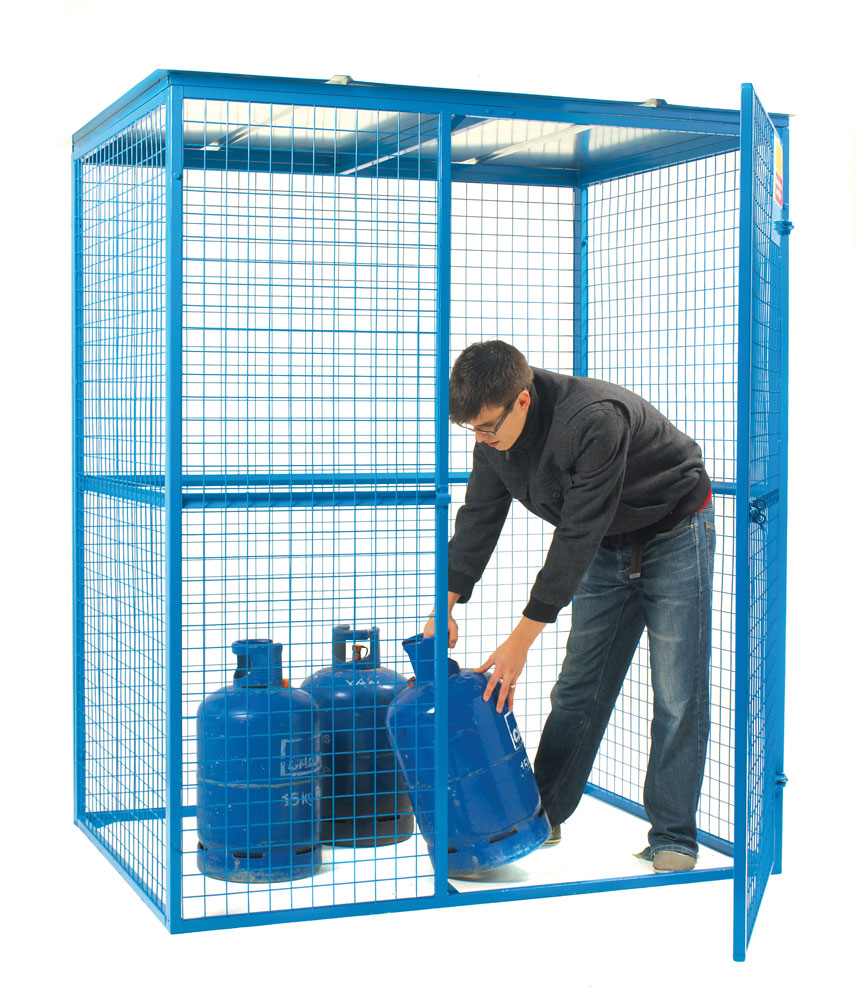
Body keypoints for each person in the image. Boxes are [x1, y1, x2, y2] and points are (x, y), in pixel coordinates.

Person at [423, 340, 715, 872]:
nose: (482, 439)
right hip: (606, 544)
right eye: (472, 431)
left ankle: (674, 834)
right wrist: (446, 600)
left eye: (488, 426)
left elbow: (577, 533)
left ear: (523, 400)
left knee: (677, 691)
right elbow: (479, 518)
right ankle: (544, 814)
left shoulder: (592, 420)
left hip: (674, 530)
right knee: (580, 686)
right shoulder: (491, 440)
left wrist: (519, 642)